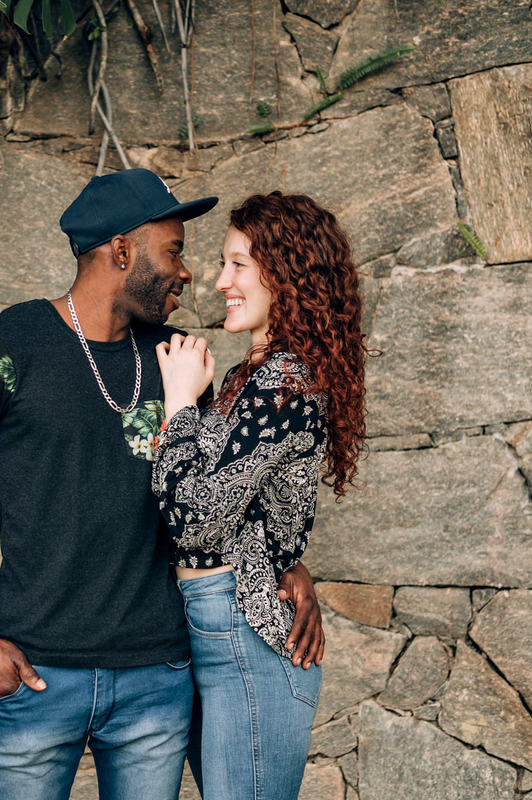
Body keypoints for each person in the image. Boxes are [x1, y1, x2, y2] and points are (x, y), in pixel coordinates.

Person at [0, 170, 326, 800]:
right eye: (174, 251)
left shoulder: (182, 361)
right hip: (35, 674)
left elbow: (226, 491)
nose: (188, 273)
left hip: (157, 678)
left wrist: (288, 566)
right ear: (121, 251)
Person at [151, 192, 367, 800]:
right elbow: (238, 503)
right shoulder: (258, 376)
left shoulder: (287, 383)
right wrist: (288, 562)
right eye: (224, 263)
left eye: (238, 265)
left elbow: (194, 520)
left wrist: (178, 403)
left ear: (287, 273)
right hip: (213, 623)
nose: (221, 281)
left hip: (242, 633)